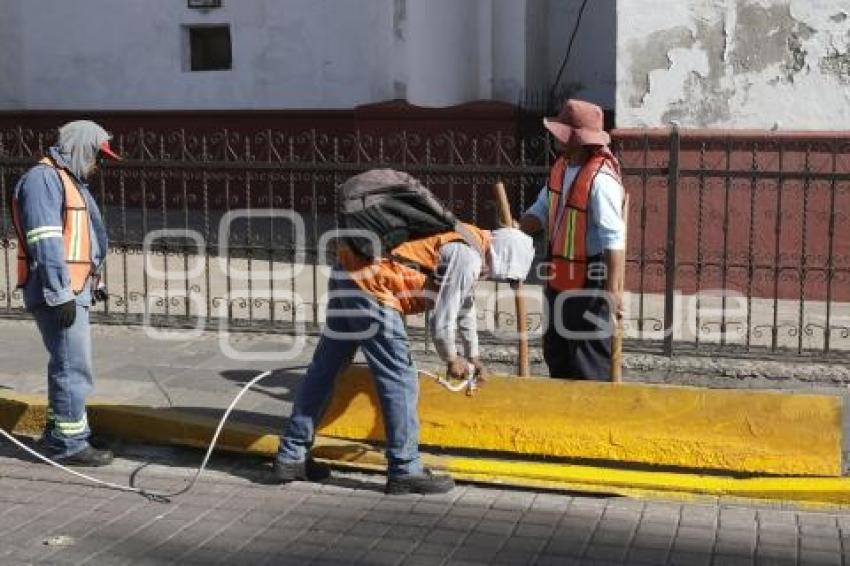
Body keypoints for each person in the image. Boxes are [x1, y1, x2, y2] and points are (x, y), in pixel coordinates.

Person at [274, 169, 535, 495]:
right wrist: (452, 359)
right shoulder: (468, 257)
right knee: (400, 377)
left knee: (325, 370)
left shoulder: (467, 239)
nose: (492, 280)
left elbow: (464, 307)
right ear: (501, 262)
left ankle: (291, 454)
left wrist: (474, 355)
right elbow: (442, 321)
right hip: (373, 289)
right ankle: (405, 467)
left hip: (348, 274)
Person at [11, 120, 120, 466]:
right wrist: (60, 294)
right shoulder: (43, 180)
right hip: (58, 292)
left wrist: (95, 281)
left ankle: (64, 431)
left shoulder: (69, 179)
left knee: (69, 363)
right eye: (96, 156)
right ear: (79, 147)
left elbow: (85, 237)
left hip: (72, 288)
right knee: (73, 366)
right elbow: (47, 243)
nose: (98, 165)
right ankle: (70, 443)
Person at [519, 99, 626, 380]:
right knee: (557, 348)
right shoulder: (561, 169)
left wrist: (613, 291)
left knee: (587, 353)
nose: (554, 136)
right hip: (559, 271)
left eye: (562, 131)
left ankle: (592, 417)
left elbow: (613, 237)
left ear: (577, 139)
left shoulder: (601, 180)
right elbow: (540, 211)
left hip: (591, 277)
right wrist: (513, 232)